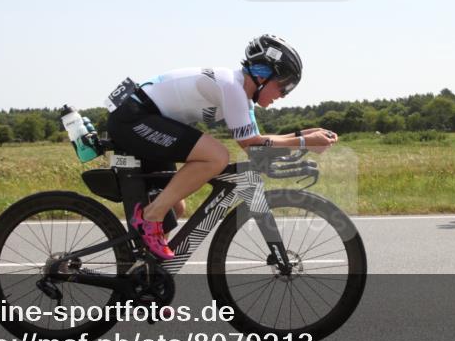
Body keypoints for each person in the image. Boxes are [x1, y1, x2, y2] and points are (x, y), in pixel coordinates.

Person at [104, 35, 338, 259]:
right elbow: (251, 144)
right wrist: (304, 141)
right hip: (133, 119)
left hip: (144, 119)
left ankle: (148, 279)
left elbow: (255, 143)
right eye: (284, 86)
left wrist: (301, 136)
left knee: (175, 206)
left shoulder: (241, 95)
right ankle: (149, 218)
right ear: (263, 75)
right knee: (217, 157)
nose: (284, 95)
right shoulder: (232, 87)